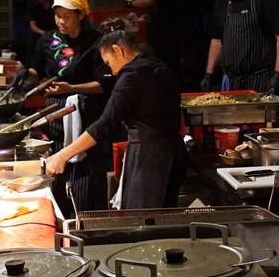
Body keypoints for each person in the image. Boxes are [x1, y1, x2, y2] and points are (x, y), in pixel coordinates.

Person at [45, 29, 185, 210]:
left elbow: (105, 124)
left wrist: (63, 155)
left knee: (143, 220)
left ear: (118, 50)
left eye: (108, 63)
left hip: (150, 160)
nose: (112, 71)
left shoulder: (132, 75)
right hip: (173, 153)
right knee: (165, 216)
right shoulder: (160, 67)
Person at [14, 0, 112, 215]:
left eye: (66, 16)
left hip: (87, 112)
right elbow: (37, 71)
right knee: (57, 166)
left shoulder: (96, 41)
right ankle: (61, 216)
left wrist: (72, 88)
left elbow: (104, 84)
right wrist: (25, 74)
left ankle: (87, 219)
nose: (61, 21)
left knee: (86, 170)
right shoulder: (47, 40)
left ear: (80, 15)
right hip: (54, 113)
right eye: (57, 16)